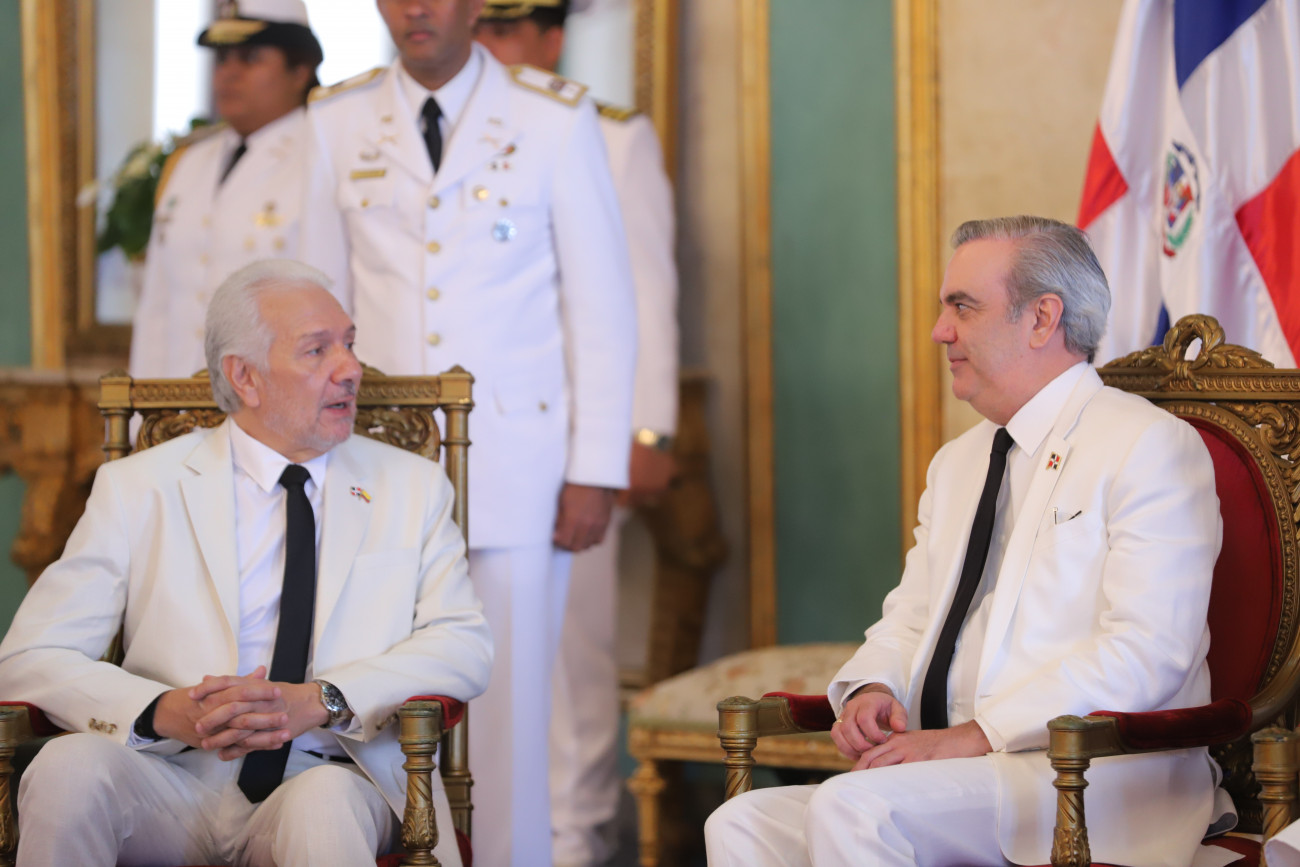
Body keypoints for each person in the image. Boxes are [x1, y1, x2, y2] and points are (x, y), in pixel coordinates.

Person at [705, 216, 1231, 867]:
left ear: (1041, 318)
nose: (939, 330)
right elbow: (912, 616)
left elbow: (1149, 649)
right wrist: (872, 688)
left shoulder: (1145, 444)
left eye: (962, 306)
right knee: (741, 822)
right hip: (952, 769)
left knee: (855, 807)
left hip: (1086, 771)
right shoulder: (958, 461)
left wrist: (977, 734)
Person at [0, 260, 493, 867]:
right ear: (245, 377)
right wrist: (160, 712)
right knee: (67, 769)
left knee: (323, 804)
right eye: (317, 350)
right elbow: (29, 657)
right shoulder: (139, 488)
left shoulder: (411, 486)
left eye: (349, 343)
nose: (350, 369)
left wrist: (325, 699)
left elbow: (464, 643)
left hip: (331, 775)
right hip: (172, 779)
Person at [297, 2, 637, 864]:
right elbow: (315, 303)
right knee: (377, 709)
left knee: (513, 715)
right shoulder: (337, 120)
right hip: (376, 465)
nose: (416, 9)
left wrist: (595, 467)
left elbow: (602, 307)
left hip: (519, 472)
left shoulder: (554, 118)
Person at [474, 2, 678, 864]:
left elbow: (643, 295)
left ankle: (577, 837)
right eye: (478, 27)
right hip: (469, 446)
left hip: (572, 442)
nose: (486, 46)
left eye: (504, 27)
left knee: (571, 657)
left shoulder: (610, 133)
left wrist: (645, 431)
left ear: (551, 37)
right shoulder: (453, 135)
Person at [130, 0, 323, 378]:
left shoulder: (322, 160)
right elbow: (157, 307)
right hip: (177, 399)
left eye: (250, 58)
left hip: (272, 398)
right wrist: (142, 407)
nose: (229, 74)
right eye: (222, 59)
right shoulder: (188, 163)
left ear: (300, 70)